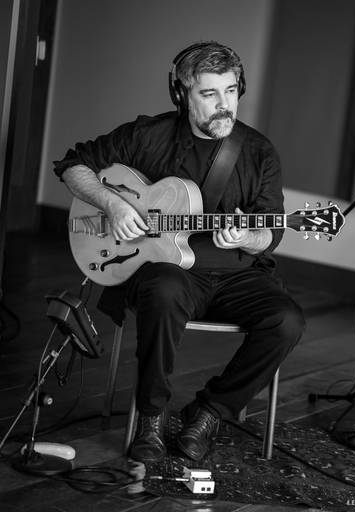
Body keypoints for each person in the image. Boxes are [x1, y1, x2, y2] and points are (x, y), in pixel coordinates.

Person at [53, 41, 305, 463]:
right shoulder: (147, 135)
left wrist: (245, 238)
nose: (224, 104)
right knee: (164, 288)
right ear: (181, 94)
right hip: (169, 273)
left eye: (231, 91)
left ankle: (209, 413)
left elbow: (269, 235)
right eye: (209, 93)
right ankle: (151, 417)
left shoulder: (259, 151)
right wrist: (113, 204)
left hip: (238, 276)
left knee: (287, 321)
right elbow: (73, 166)